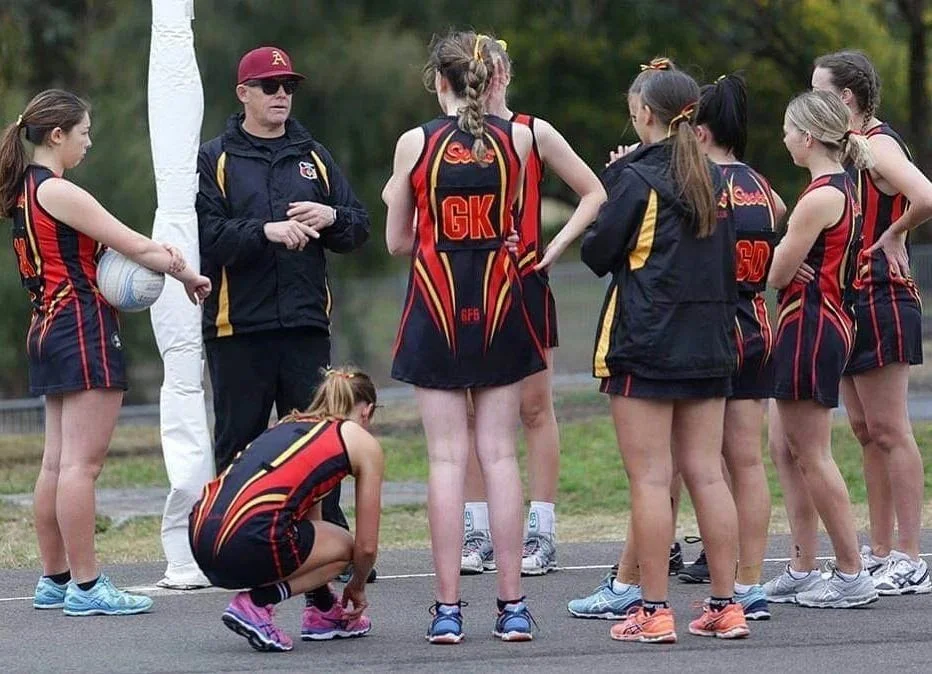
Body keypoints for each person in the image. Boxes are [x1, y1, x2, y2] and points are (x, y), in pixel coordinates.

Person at [0, 89, 211, 615]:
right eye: (84, 133)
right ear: (57, 135)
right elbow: (132, 244)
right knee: (81, 467)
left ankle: (55, 578)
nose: (89, 142)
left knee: (55, 463)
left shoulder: (24, 189)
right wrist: (186, 272)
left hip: (46, 327)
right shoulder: (58, 191)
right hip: (81, 326)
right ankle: (89, 588)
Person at [383, 30, 543, 643]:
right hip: (501, 307)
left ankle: (448, 609)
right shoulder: (519, 138)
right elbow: (516, 227)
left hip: (435, 309)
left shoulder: (414, 144)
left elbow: (399, 242)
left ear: (438, 81)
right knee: (501, 455)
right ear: (488, 79)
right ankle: (514, 606)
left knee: (447, 459)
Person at [580, 58, 747, 643]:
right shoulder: (715, 180)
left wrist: (613, 185)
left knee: (651, 480)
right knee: (708, 474)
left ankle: (653, 611)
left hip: (648, 344)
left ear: (644, 115)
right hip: (710, 344)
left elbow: (598, 253)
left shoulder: (637, 178)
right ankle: (727, 604)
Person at [195, 46, 371, 563]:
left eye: (288, 87)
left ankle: (330, 549)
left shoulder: (313, 155)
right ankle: (228, 547)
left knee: (320, 440)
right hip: (238, 328)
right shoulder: (215, 157)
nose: (280, 96)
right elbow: (205, 235)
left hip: (305, 325)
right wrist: (265, 231)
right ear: (243, 93)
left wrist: (330, 215)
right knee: (239, 445)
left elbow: (358, 226)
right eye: (270, 86)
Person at [458, 37, 606, 577]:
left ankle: (540, 531)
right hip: (467, 285)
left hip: (522, 283)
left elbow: (594, 192)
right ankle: (477, 530)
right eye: (482, 71)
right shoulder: (452, 136)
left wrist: (556, 244)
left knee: (534, 408)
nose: (492, 79)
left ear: (507, 76)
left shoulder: (532, 130)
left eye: (498, 70)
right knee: (471, 412)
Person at [812, 50, 932, 594]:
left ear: (845, 98)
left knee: (890, 429)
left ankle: (911, 552)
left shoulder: (878, 143)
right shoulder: (848, 152)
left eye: (819, 91)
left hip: (882, 294)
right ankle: (882, 548)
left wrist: (896, 231)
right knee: (864, 430)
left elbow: (926, 194)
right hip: (851, 297)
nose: (811, 101)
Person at [762, 89, 879, 608]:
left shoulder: (820, 197)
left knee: (811, 452)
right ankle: (803, 564)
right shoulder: (841, 188)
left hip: (812, 324)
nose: (784, 138)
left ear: (808, 137)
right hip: (814, 323)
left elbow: (776, 272)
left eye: (788, 130)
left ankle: (852, 572)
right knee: (785, 449)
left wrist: (780, 256)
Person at [682, 74, 785, 619]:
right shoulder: (764, 187)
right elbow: (785, 221)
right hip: (758, 325)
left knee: (699, 463)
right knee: (747, 462)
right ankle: (751, 583)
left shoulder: (695, 182)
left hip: (712, 330)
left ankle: (717, 582)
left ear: (699, 131)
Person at [189, 367, 382, 652]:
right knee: (345, 546)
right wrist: (358, 585)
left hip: (201, 539)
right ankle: (256, 603)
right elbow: (366, 548)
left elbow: (312, 530)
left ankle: (323, 612)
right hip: (248, 541)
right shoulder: (360, 441)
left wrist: (321, 594)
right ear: (367, 411)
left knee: (319, 537)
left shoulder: (288, 426)